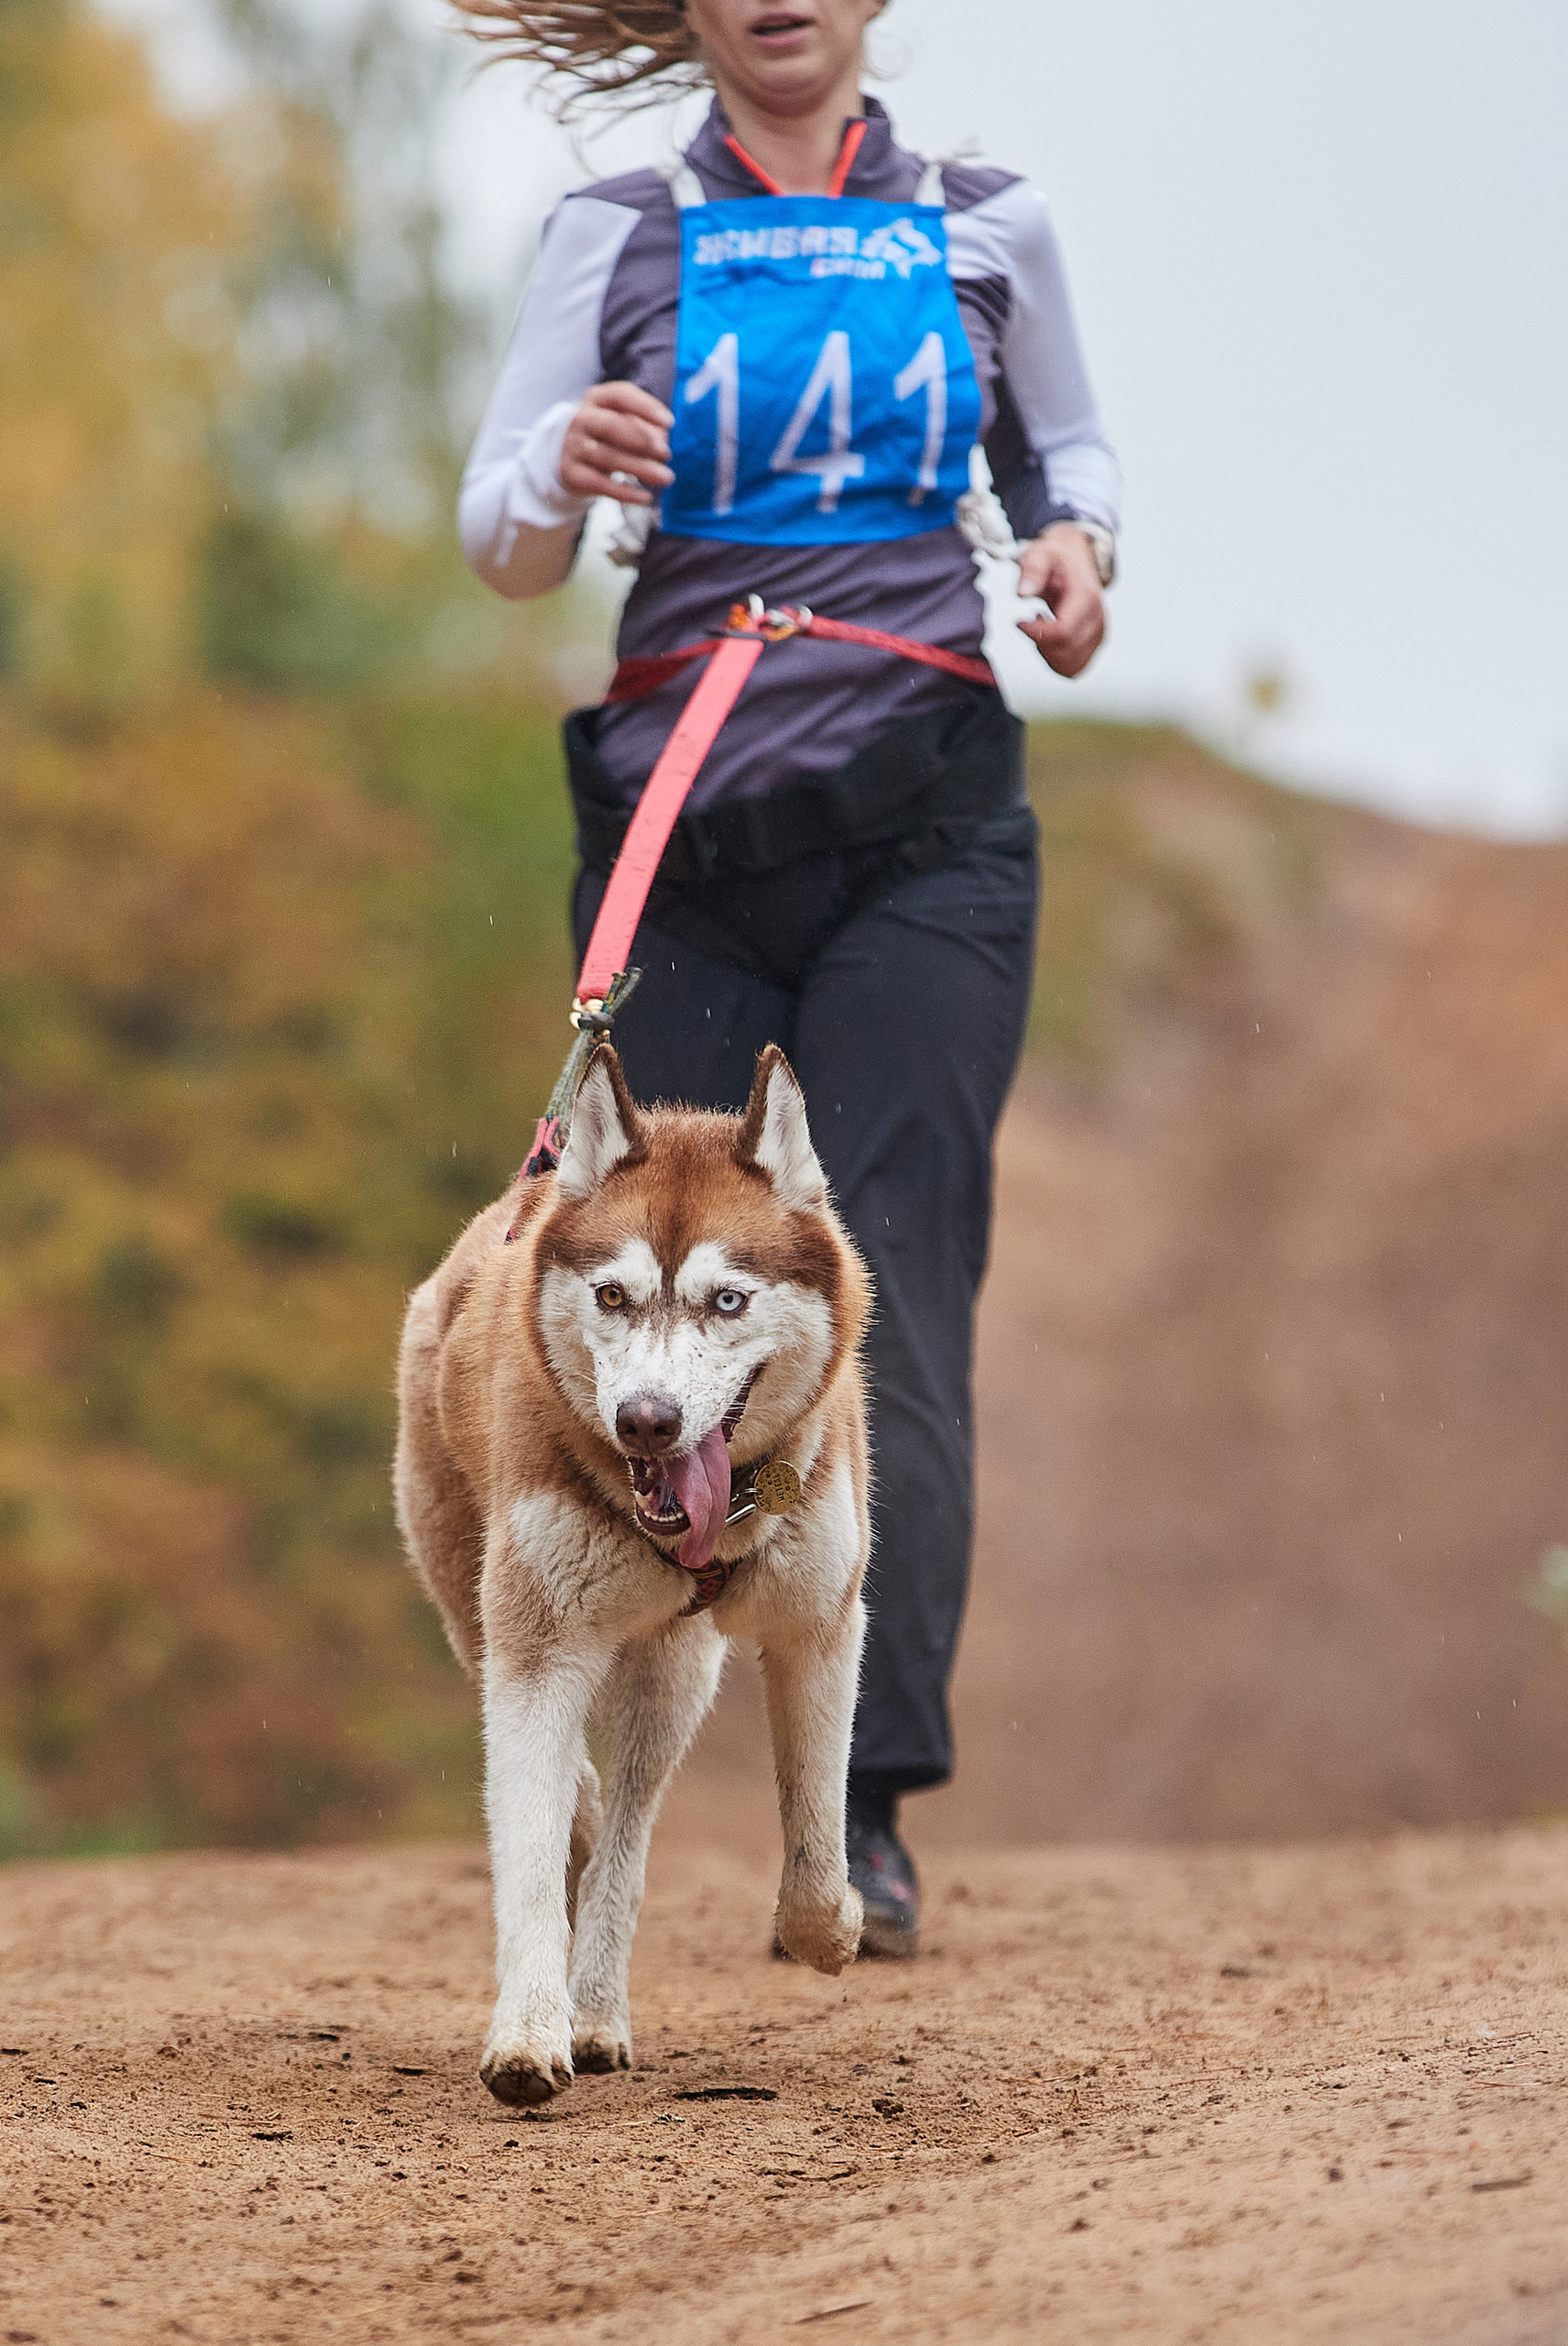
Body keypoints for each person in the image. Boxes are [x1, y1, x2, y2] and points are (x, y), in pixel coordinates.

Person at [454, 0, 1117, 1956]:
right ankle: (602, 1719)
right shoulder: (614, 227)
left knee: (872, 1258)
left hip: (927, 833)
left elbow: (1065, 453)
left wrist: (1077, 553)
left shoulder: (991, 226)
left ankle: (861, 1810)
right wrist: (561, 466)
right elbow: (502, 540)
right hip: (684, 838)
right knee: (629, 1282)